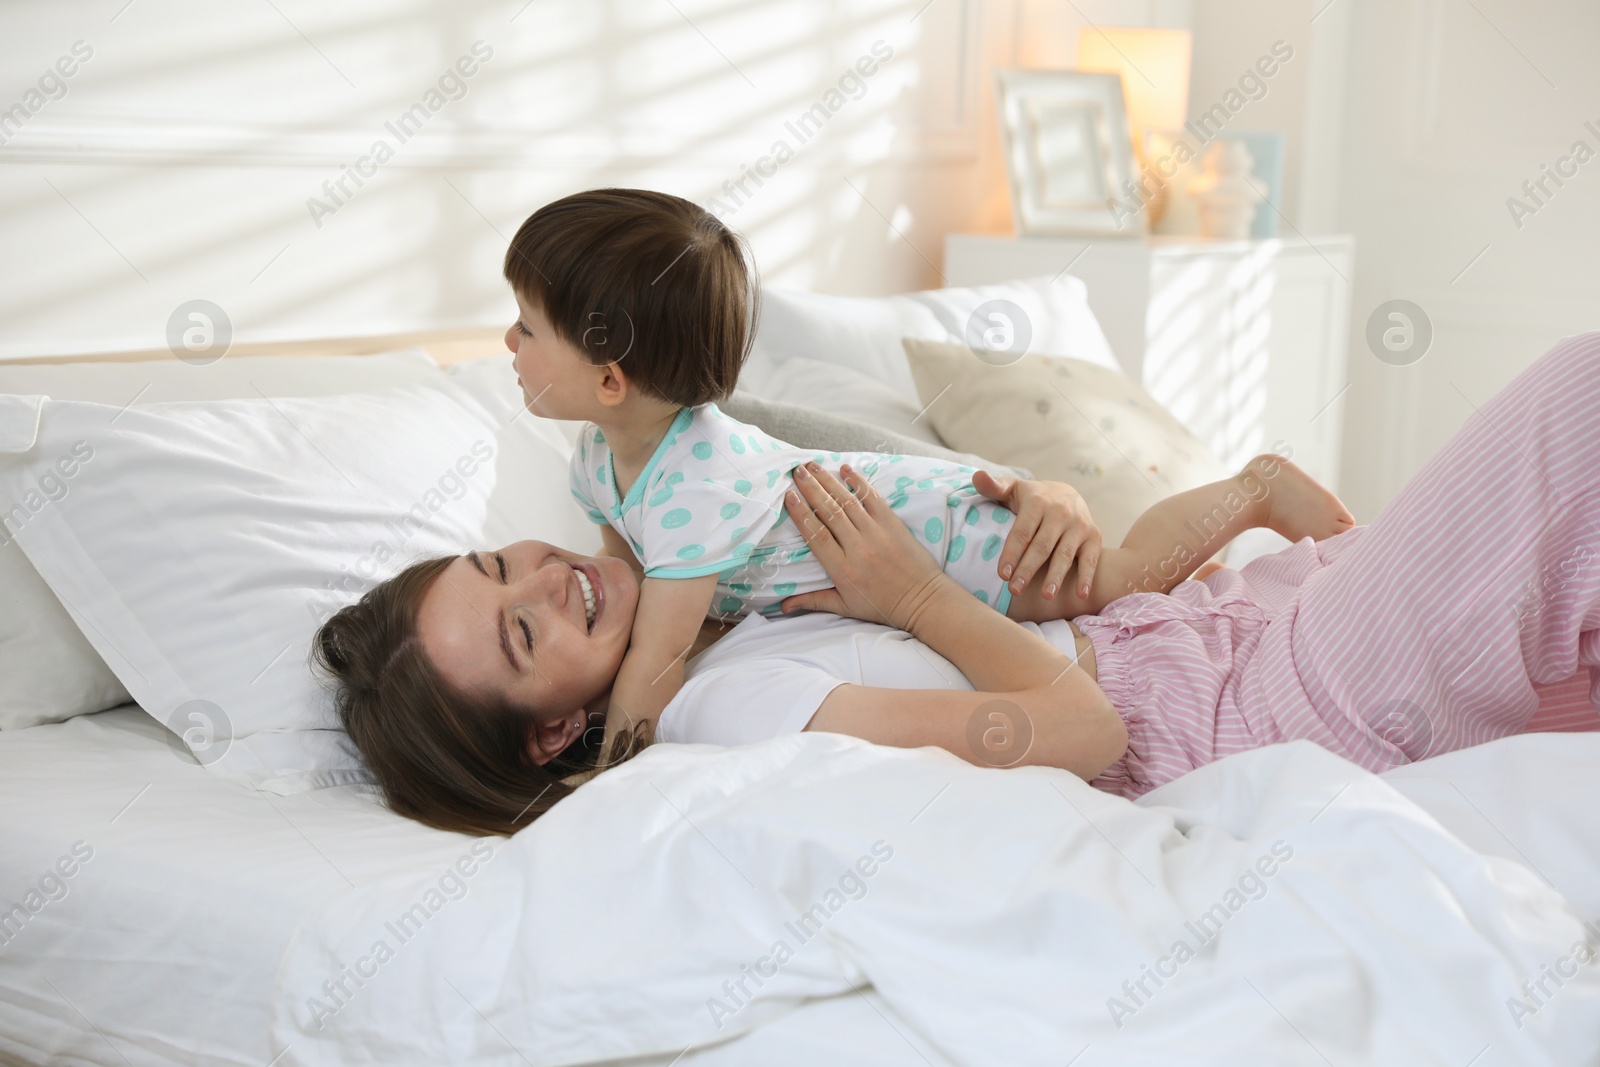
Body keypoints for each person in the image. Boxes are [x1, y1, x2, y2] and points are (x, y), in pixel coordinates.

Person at [314, 331, 1600, 837]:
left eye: (505, 563)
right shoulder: (722, 712)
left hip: (1234, 620)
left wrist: (1036, 496)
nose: (547, 581)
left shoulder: (692, 565)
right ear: (555, 729)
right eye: (522, 633)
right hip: (1246, 713)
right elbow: (1086, 730)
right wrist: (920, 598)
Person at [499, 188, 1354, 758]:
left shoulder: (694, 481)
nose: (509, 343)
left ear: (612, 380)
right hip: (901, 526)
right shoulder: (599, 456)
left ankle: (1254, 490)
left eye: (526, 329)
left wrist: (613, 768)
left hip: (944, 537)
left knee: (1116, 578)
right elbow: (631, 576)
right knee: (1123, 588)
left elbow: (660, 652)